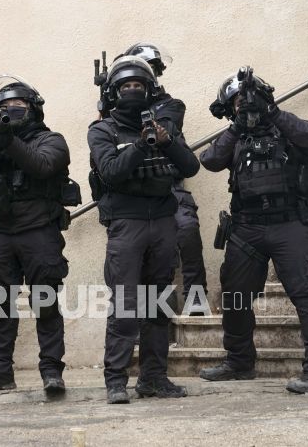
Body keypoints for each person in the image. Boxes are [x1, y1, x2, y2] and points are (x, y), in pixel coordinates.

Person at [199, 71, 308, 394]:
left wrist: (270, 111)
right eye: (236, 102)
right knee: (234, 297)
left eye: (249, 99)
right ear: (228, 108)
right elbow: (210, 160)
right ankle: (239, 361)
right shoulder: (233, 137)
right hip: (247, 228)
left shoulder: (286, 127)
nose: (244, 105)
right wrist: (237, 126)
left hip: (292, 223)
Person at [87, 57, 200, 404]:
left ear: (150, 91)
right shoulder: (102, 129)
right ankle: (116, 381)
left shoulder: (164, 126)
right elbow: (110, 171)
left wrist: (166, 142)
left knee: (158, 304)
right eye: (125, 87)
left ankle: (153, 378)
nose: (133, 91)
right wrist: (139, 146)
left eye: (138, 86)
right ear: (114, 93)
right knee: (125, 306)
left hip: (163, 224)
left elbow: (191, 166)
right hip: (127, 225)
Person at [0, 75, 78, 393]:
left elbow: (42, 165)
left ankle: (52, 373)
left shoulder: (51, 140)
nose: (12, 111)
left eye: (19, 106)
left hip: (39, 233)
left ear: (34, 109)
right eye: (5, 108)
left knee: (46, 305)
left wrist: (9, 141)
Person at [124, 42, 208, 313]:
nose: (147, 76)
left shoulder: (170, 104)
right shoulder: (115, 110)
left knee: (188, 231)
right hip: (133, 193)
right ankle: (140, 315)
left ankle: (196, 301)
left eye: (152, 70)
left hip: (171, 188)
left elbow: (166, 128)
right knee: (135, 254)